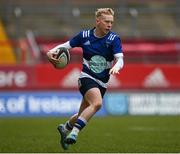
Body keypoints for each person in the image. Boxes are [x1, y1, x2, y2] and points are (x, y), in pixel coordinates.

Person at [46, 8, 124, 150]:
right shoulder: (84, 36)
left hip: (102, 83)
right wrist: (50, 51)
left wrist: (117, 67)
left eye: (111, 22)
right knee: (97, 103)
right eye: (106, 21)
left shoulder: (114, 39)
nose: (109, 25)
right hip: (86, 78)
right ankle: (74, 133)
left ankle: (65, 128)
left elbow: (120, 59)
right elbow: (66, 46)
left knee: (82, 114)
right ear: (98, 21)